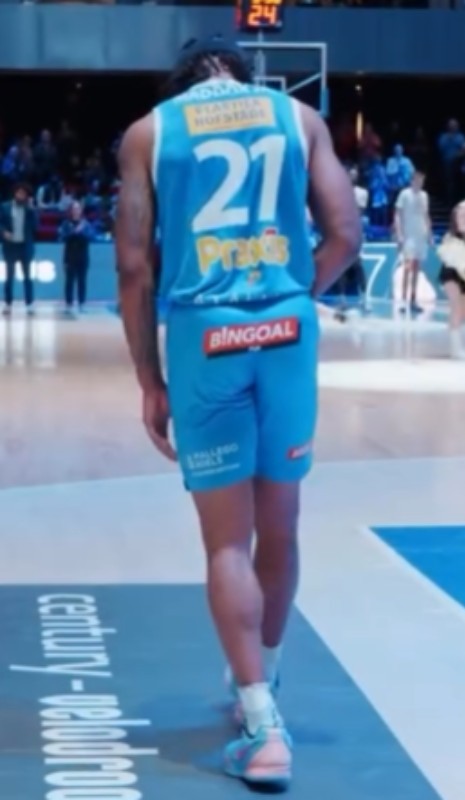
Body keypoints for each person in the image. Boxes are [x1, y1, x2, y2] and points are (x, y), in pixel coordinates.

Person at [116, 35, 360, 788]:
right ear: (244, 73)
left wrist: (150, 380)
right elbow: (346, 235)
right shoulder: (298, 118)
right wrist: (292, 301)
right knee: (280, 526)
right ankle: (265, 684)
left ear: (182, 83)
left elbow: (133, 267)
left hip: (206, 336)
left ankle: (260, 724)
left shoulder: (151, 133)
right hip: (285, 327)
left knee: (228, 541)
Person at [394, 170, 432, 314]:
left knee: (417, 268)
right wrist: (399, 234)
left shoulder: (424, 196)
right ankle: (403, 301)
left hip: (420, 236)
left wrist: (429, 234)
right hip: (408, 236)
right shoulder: (404, 194)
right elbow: (397, 215)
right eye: (418, 180)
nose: (420, 183)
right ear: (412, 180)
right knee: (407, 267)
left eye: (422, 180)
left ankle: (413, 299)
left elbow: (426, 215)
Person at [0, 182, 37, 317]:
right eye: (19, 193)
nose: (21, 195)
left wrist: (32, 210)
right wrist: (3, 232)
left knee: (27, 277)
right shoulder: (4, 207)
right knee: (9, 277)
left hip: (25, 247)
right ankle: (8, 304)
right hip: (10, 246)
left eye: (24, 194)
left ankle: (29, 304)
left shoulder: (29, 209)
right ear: (14, 193)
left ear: (27, 196)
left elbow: (36, 227)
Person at [437, 201, 465, 359]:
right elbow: (447, 257)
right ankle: (455, 349)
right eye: (461, 215)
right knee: (456, 307)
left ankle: (457, 343)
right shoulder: (450, 238)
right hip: (451, 274)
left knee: (462, 311)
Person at [60, 200, 93, 315]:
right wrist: (74, 232)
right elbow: (63, 237)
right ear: (71, 210)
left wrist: (80, 233)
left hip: (82, 256)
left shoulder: (86, 224)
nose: (76, 211)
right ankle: (68, 304)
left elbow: (90, 237)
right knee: (69, 281)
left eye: (78, 208)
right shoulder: (66, 224)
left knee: (82, 281)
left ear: (81, 210)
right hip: (69, 256)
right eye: (74, 208)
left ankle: (81, 303)